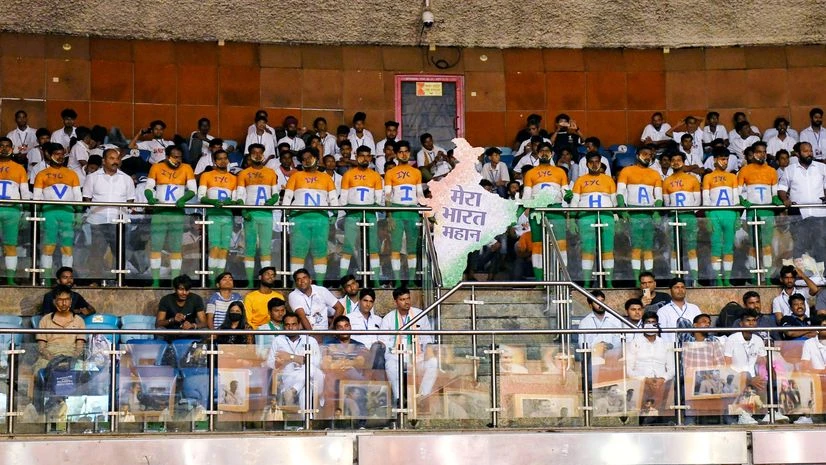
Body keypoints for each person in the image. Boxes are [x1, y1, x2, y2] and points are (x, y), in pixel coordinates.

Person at [283, 148, 338, 283]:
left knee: (320, 252)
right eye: (304, 159)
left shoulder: (326, 177)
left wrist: (335, 214)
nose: (307, 160)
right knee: (298, 252)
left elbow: (333, 199)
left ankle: (319, 284)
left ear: (316, 158)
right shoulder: (295, 176)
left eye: (309, 157)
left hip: (321, 219)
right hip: (299, 218)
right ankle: (296, 285)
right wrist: (285, 214)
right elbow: (287, 197)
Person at [144, 145, 196, 287]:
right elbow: (148, 187)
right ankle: (155, 280)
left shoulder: (186, 168)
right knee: (156, 247)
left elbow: (193, 190)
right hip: (159, 213)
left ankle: (175, 280)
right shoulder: (156, 167)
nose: (178, 160)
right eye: (175, 157)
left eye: (180, 157)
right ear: (167, 156)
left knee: (176, 247)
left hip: (177, 214)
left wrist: (183, 199)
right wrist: (150, 197)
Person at [81, 147, 135, 279]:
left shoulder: (126, 179)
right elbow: (87, 197)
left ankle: (119, 280)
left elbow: (130, 200)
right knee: (97, 253)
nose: (115, 161)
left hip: (119, 222)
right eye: (111, 158)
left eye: (117, 158)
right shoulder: (92, 177)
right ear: (103, 161)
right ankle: (96, 280)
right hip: (98, 222)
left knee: (120, 252)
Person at [521, 141, 572, 278]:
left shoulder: (560, 171)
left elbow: (565, 192)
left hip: (556, 211)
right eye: (541, 151)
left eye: (547, 151)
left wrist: (568, 196)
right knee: (537, 246)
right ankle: (539, 280)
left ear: (552, 154)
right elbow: (526, 196)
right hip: (537, 212)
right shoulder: (530, 173)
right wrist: (519, 212)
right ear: (538, 154)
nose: (544, 153)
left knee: (561, 245)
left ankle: (562, 278)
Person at [33, 142, 82, 280]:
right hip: (49, 213)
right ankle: (47, 279)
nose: (60, 157)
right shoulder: (41, 174)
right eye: (57, 154)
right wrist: (38, 216)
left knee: (67, 248)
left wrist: (78, 214)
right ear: (49, 155)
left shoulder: (72, 174)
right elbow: (36, 198)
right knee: (49, 247)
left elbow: (78, 196)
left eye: (62, 154)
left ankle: (67, 279)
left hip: (68, 213)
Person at [381, 287, 438, 404]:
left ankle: (423, 396)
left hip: (417, 354)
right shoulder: (388, 318)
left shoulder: (420, 315)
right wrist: (392, 354)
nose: (406, 302)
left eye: (408, 298)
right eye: (402, 299)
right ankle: (399, 398)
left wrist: (428, 349)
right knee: (390, 366)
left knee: (433, 362)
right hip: (396, 356)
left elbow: (427, 337)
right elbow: (384, 341)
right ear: (395, 301)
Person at [738, 141, 784, 284]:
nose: (762, 154)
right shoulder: (744, 170)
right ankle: (754, 275)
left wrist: (776, 199)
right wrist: (742, 201)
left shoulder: (771, 171)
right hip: (752, 211)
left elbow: (774, 192)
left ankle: (768, 276)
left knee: (767, 245)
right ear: (753, 154)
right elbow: (738, 192)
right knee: (753, 244)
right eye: (759, 152)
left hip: (768, 211)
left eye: (764, 151)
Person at [235, 143, 280, 286]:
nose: (258, 155)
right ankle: (249, 281)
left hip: (266, 214)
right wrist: (243, 210)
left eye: (260, 152)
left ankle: (267, 281)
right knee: (250, 248)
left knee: (266, 249)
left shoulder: (271, 173)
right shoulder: (243, 173)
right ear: (249, 155)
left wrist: (273, 199)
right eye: (255, 152)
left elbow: (276, 193)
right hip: (251, 214)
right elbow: (240, 194)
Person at [339, 145, 384, 285]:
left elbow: (378, 201)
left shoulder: (376, 175)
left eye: (367, 156)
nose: (364, 158)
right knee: (348, 247)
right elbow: (343, 200)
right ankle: (342, 280)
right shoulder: (348, 174)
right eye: (361, 155)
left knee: (374, 248)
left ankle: (376, 281)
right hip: (352, 214)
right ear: (356, 156)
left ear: (370, 158)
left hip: (370, 213)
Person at [571, 151, 617, 287]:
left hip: (606, 216)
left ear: (601, 163)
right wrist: (572, 219)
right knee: (587, 249)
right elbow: (574, 201)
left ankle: (608, 282)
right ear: (587, 164)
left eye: (597, 162)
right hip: (586, 216)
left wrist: (616, 217)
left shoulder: (608, 179)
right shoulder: (580, 180)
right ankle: (586, 282)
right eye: (592, 162)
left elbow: (614, 201)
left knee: (608, 249)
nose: (595, 164)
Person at [617, 147, 663, 281]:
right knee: (636, 248)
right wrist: (623, 210)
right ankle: (638, 279)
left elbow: (658, 196)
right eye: (645, 154)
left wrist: (656, 212)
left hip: (648, 214)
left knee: (648, 248)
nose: (648, 156)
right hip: (633, 213)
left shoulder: (655, 173)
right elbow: (620, 192)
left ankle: (649, 278)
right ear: (637, 155)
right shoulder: (627, 171)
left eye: (650, 154)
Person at [384, 141, 424, 287]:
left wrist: (425, 213)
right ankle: (397, 280)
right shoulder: (390, 173)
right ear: (396, 154)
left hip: (412, 211)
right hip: (396, 211)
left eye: (406, 151)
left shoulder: (417, 172)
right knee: (395, 247)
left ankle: (412, 280)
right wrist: (389, 217)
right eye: (400, 152)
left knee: (412, 247)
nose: (404, 154)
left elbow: (420, 195)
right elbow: (387, 196)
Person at [778, 141, 826, 263]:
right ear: (798, 154)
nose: (809, 153)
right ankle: (801, 277)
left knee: (820, 245)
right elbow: (782, 189)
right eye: (805, 151)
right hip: (799, 215)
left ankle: (821, 276)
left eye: (810, 151)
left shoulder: (822, 167)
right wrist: (785, 199)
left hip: (819, 214)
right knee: (799, 246)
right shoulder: (790, 170)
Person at [266, 311, 323, 409]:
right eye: (287, 325)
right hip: (289, 378)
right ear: (283, 326)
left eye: (294, 324)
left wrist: (291, 357)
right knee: (306, 390)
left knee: (312, 370)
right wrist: (277, 363)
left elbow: (317, 362)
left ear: (299, 325)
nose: (290, 328)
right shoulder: (278, 340)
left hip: (313, 380)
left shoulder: (310, 340)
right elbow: (270, 363)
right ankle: (306, 423)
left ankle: (293, 391)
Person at [625, 311, 675, 423]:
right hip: (641, 384)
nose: (651, 324)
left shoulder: (665, 343)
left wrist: (662, 379)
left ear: (657, 325)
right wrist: (645, 380)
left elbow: (672, 369)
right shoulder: (634, 343)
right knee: (644, 417)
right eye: (648, 322)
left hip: (662, 384)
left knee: (661, 417)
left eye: (653, 322)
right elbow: (628, 369)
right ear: (643, 324)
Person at [197, 149, 237, 282]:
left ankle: (220, 278)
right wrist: (213, 202)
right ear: (215, 161)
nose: (223, 161)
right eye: (219, 158)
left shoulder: (233, 178)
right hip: (213, 216)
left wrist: (230, 202)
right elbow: (201, 197)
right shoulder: (206, 175)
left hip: (227, 216)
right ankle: (211, 279)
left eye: (225, 158)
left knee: (224, 248)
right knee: (214, 247)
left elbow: (236, 199)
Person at [703, 147, 740, 286]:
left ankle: (727, 279)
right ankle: (718, 279)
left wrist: (737, 216)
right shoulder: (708, 177)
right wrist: (707, 217)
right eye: (722, 159)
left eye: (726, 159)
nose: (724, 162)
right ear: (714, 160)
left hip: (730, 213)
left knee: (729, 247)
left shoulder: (732, 176)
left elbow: (736, 198)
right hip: (714, 213)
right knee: (716, 246)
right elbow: (705, 200)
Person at [662, 152, 701, 283]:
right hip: (673, 217)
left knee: (691, 248)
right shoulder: (666, 181)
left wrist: (688, 212)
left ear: (683, 162)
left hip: (689, 216)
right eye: (673, 159)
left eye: (679, 159)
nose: (676, 162)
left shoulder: (693, 179)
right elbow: (667, 203)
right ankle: (675, 279)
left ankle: (695, 280)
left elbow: (697, 201)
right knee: (674, 249)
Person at [33, 284, 86, 372]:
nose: (64, 303)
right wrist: (51, 359)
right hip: (49, 357)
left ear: (71, 301)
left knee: (85, 370)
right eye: (60, 300)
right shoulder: (45, 320)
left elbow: (80, 347)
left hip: (71, 356)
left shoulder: (79, 320)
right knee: (38, 371)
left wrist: (71, 359)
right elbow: (41, 347)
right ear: (54, 301)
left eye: (67, 300)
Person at [0, 137, 31, 284]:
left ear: (12, 149)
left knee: (10, 245)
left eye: (7, 146)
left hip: (12, 211)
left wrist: (25, 212)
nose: (4, 148)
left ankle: (10, 279)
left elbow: (25, 193)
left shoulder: (19, 168)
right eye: (1, 146)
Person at [289, 268, 344, 334]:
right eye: (298, 279)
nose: (302, 281)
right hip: (305, 334)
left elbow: (340, 308)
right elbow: (302, 317)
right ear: (296, 283)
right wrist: (312, 336)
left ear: (310, 280)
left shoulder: (321, 290)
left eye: (304, 278)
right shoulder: (293, 295)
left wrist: (331, 329)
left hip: (324, 332)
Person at [155, 274, 207, 341]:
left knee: (205, 331)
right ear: (175, 289)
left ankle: (200, 351)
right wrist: (172, 320)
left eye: (187, 290)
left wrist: (192, 325)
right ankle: (162, 350)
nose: (184, 293)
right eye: (181, 289)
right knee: (159, 330)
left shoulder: (196, 299)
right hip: (171, 332)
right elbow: (158, 323)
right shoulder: (166, 299)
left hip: (190, 331)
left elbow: (204, 323)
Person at [577, 290, 622, 365]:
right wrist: (597, 348)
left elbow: (619, 340)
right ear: (590, 305)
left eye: (602, 301)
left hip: (612, 356)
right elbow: (582, 344)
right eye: (597, 302)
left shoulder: (614, 319)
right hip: (593, 357)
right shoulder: (584, 322)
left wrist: (609, 346)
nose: (601, 304)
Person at [657, 278, 701, 343]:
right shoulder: (663, 311)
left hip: (693, 348)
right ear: (670, 290)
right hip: (672, 348)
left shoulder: (694, 308)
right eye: (676, 287)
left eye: (682, 287)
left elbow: (700, 329)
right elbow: (663, 334)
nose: (680, 290)